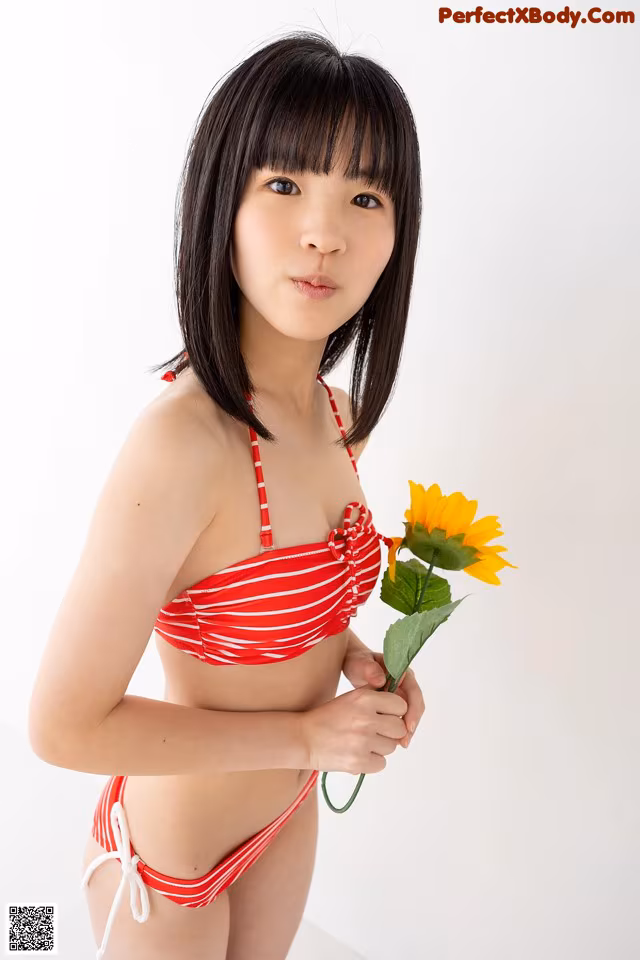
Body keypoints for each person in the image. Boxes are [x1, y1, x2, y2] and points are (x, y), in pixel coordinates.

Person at [27, 29, 423, 960]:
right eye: (283, 185)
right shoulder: (182, 446)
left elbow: (289, 616)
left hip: (285, 816)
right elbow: (62, 724)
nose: (323, 230)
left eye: (363, 195)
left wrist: (366, 671)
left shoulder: (338, 413)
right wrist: (308, 734)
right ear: (221, 204)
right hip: (168, 865)